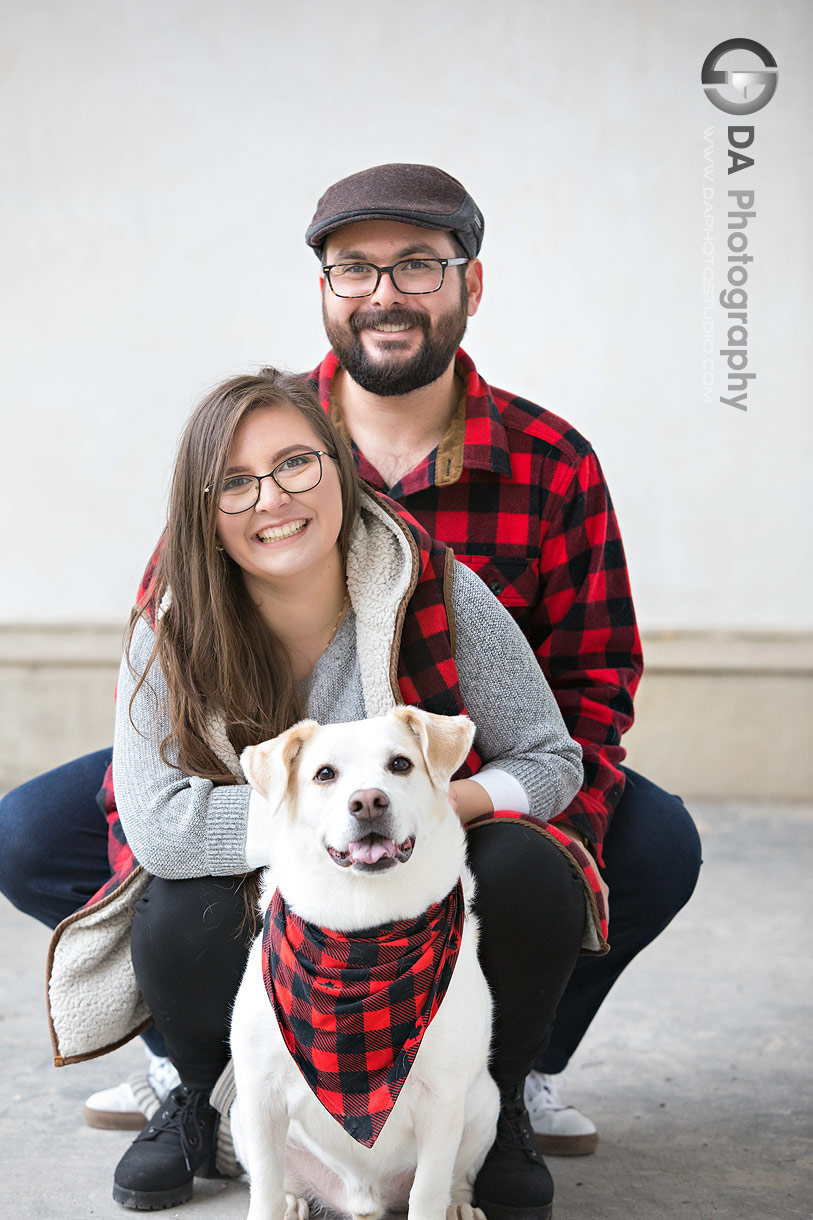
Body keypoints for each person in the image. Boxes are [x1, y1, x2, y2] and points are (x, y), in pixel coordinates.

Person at [0, 162, 700, 1184]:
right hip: (275, 777)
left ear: (470, 283)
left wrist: (471, 812)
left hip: (445, 775)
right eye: (354, 268)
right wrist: (268, 834)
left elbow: (588, 689)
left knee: (635, 845)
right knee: (75, 847)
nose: (385, 292)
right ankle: (200, 1065)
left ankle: (499, 1067)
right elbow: (164, 745)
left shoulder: (546, 469)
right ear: (324, 289)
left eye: (419, 264)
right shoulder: (258, 441)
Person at [46, 367, 601, 1214]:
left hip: (412, 871)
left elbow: (550, 758)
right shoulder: (171, 625)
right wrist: (323, 828)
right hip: (276, 873)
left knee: (533, 871)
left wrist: (435, 806)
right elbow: (158, 825)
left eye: (296, 464)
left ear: (341, 468)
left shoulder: (439, 589)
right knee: (168, 910)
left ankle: (494, 1099)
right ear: (204, 510)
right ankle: (202, 1091)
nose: (271, 498)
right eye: (234, 482)